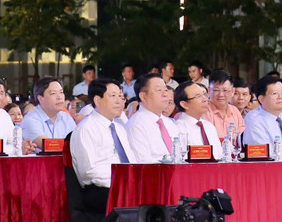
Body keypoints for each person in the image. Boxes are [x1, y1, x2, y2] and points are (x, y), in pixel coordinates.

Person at [70, 79, 137, 209]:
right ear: (97, 100)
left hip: (122, 184)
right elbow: (88, 171)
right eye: (113, 96)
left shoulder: (119, 128)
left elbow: (131, 161)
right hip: (99, 190)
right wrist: (120, 177)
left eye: (121, 96)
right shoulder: (87, 128)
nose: (119, 102)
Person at [125, 73, 180, 163]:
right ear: (143, 96)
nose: (165, 94)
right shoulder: (136, 125)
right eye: (159, 90)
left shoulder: (170, 123)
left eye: (165, 90)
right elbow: (143, 163)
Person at [21, 76, 76, 151]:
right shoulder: (31, 119)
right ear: (40, 98)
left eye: (61, 92)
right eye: (53, 93)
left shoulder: (66, 117)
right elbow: (48, 146)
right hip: (41, 162)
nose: (59, 97)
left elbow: (77, 143)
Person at [173, 81, 222, 160]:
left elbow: (219, 155)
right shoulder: (178, 128)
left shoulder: (209, 126)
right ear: (184, 104)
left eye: (205, 95)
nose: (205, 99)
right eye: (198, 96)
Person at [242, 76, 282, 145]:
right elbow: (263, 153)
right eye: (275, 93)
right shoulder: (255, 124)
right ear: (261, 99)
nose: (280, 97)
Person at [201, 70, 245, 139]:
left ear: (233, 91)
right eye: (216, 90)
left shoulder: (235, 111)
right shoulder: (203, 111)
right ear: (209, 91)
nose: (221, 95)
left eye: (225, 90)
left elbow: (241, 137)